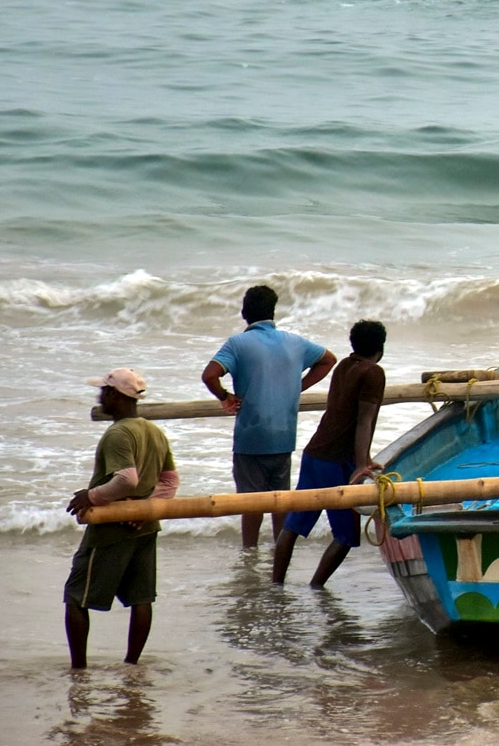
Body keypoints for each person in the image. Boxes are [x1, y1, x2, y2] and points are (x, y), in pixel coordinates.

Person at [202, 285, 335, 548]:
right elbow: (328, 360)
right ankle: (280, 554)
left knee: (250, 505)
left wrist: (225, 397)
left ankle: (249, 556)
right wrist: (298, 386)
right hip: (284, 436)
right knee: (280, 501)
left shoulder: (237, 344)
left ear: (244, 313)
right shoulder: (295, 342)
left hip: (251, 437)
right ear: (273, 313)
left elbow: (209, 375)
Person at [64, 368, 180, 669]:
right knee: (141, 598)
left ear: (116, 395)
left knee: (77, 597)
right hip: (145, 527)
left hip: (110, 528)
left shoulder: (117, 433)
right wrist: (144, 511)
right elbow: (170, 482)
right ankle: (131, 666)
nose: (99, 395)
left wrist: (90, 497)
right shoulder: (154, 431)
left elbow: (127, 480)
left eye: (104, 391)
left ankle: (78, 670)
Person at [273, 319, 387, 589]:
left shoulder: (344, 366)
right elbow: (363, 420)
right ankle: (316, 587)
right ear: (380, 347)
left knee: (294, 525)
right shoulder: (374, 373)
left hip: (315, 454)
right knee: (346, 535)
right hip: (337, 462)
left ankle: (276, 585)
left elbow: (346, 416)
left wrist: (364, 458)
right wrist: (361, 465)